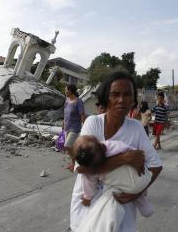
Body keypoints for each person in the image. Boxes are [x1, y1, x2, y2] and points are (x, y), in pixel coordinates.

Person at [69, 70, 162, 232]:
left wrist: (137, 192)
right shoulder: (93, 123)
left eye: (127, 95)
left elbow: (156, 166)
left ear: (133, 99)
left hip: (121, 208)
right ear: (106, 98)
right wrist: (124, 159)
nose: (121, 100)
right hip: (86, 205)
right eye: (115, 94)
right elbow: (83, 167)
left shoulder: (136, 128)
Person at [73, 135, 153, 221]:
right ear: (102, 145)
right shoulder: (113, 146)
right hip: (145, 176)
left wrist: (87, 198)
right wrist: (138, 162)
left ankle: (146, 209)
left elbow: (89, 186)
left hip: (127, 189)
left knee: (111, 185)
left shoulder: (90, 173)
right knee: (134, 184)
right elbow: (132, 151)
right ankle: (146, 209)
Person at [63, 84, 86, 171]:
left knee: (67, 145)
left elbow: (82, 114)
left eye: (66, 90)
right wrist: (63, 124)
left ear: (71, 91)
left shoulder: (78, 101)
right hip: (67, 126)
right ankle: (73, 163)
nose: (65, 92)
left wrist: (85, 126)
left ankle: (77, 161)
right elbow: (65, 113)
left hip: (75, 127)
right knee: (71, 147)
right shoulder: (67, 100)